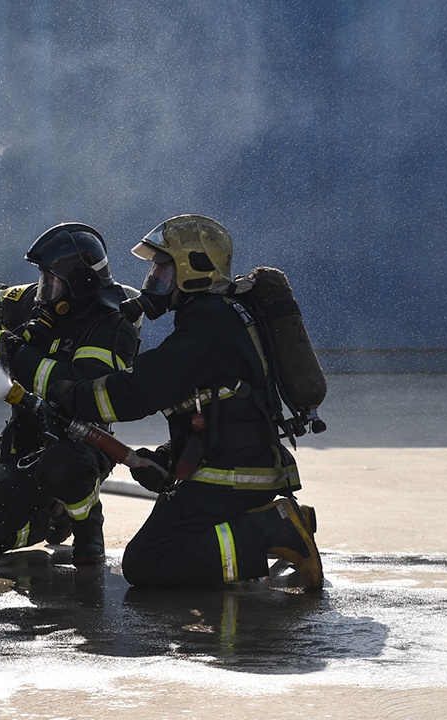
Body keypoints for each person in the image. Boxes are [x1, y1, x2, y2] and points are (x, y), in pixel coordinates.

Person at [46, 214, 323, 591]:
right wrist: (168, 457)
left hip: (234, 473)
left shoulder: (208, 322)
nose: (153, 280)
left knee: (148, 562)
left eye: (163, 269)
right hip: (236, 462)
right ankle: (270, 522)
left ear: (194, 269)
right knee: (160, 548)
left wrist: (69, 393)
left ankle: (275, 528)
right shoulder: (221, 314)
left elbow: (139, 391)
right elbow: (217, 408)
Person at [0, 222, 140, 566]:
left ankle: (87, 525)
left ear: (78, 282)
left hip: (79, 445)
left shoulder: (112, 324)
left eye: (51, 279)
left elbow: (74, 387)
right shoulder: (40, 301)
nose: (42, 288)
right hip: (24, 446)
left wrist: (14, 351)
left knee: (64, 467)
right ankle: (51, 516)